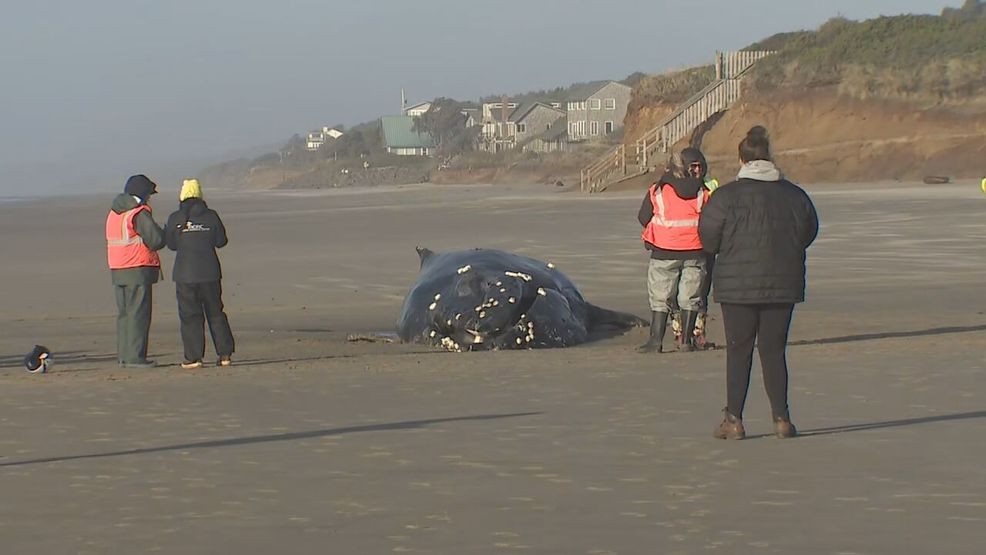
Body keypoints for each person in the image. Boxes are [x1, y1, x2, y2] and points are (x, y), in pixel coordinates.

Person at [698, 126, 818, 440]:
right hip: (783, 281)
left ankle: (734, 420)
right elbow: (808, 232)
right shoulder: (795, 195)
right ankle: (782, 418)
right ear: (769, 157)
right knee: (774, 350)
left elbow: (708, 239)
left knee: (739, 351)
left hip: (737, 285)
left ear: (742, 159)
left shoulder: (725, 196)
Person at [637, 151, 711, 354]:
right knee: (690, 296)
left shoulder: (657, 190)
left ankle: (656, 341)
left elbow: (643, 217)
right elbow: (711, 220)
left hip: (664, 251)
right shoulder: (703, 191)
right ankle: (686, 341)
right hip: (695, 251)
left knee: (661, 296)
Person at [165, 179, 235, 369]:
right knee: (215, 313)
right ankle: (225, 354)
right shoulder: (211, 216)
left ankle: (194, 357)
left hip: (185, 274)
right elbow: (221, 241)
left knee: (190, 316)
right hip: (210, 272)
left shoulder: (175, 218)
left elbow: (171, 244)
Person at [106, 174, 166, 368]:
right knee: (138, 314)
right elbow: (156, 240)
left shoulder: (114, 213)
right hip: (137, 267)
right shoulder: (138, 213)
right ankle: (135, 357)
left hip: (117, 268)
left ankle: (124, 356)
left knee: (124, 315)